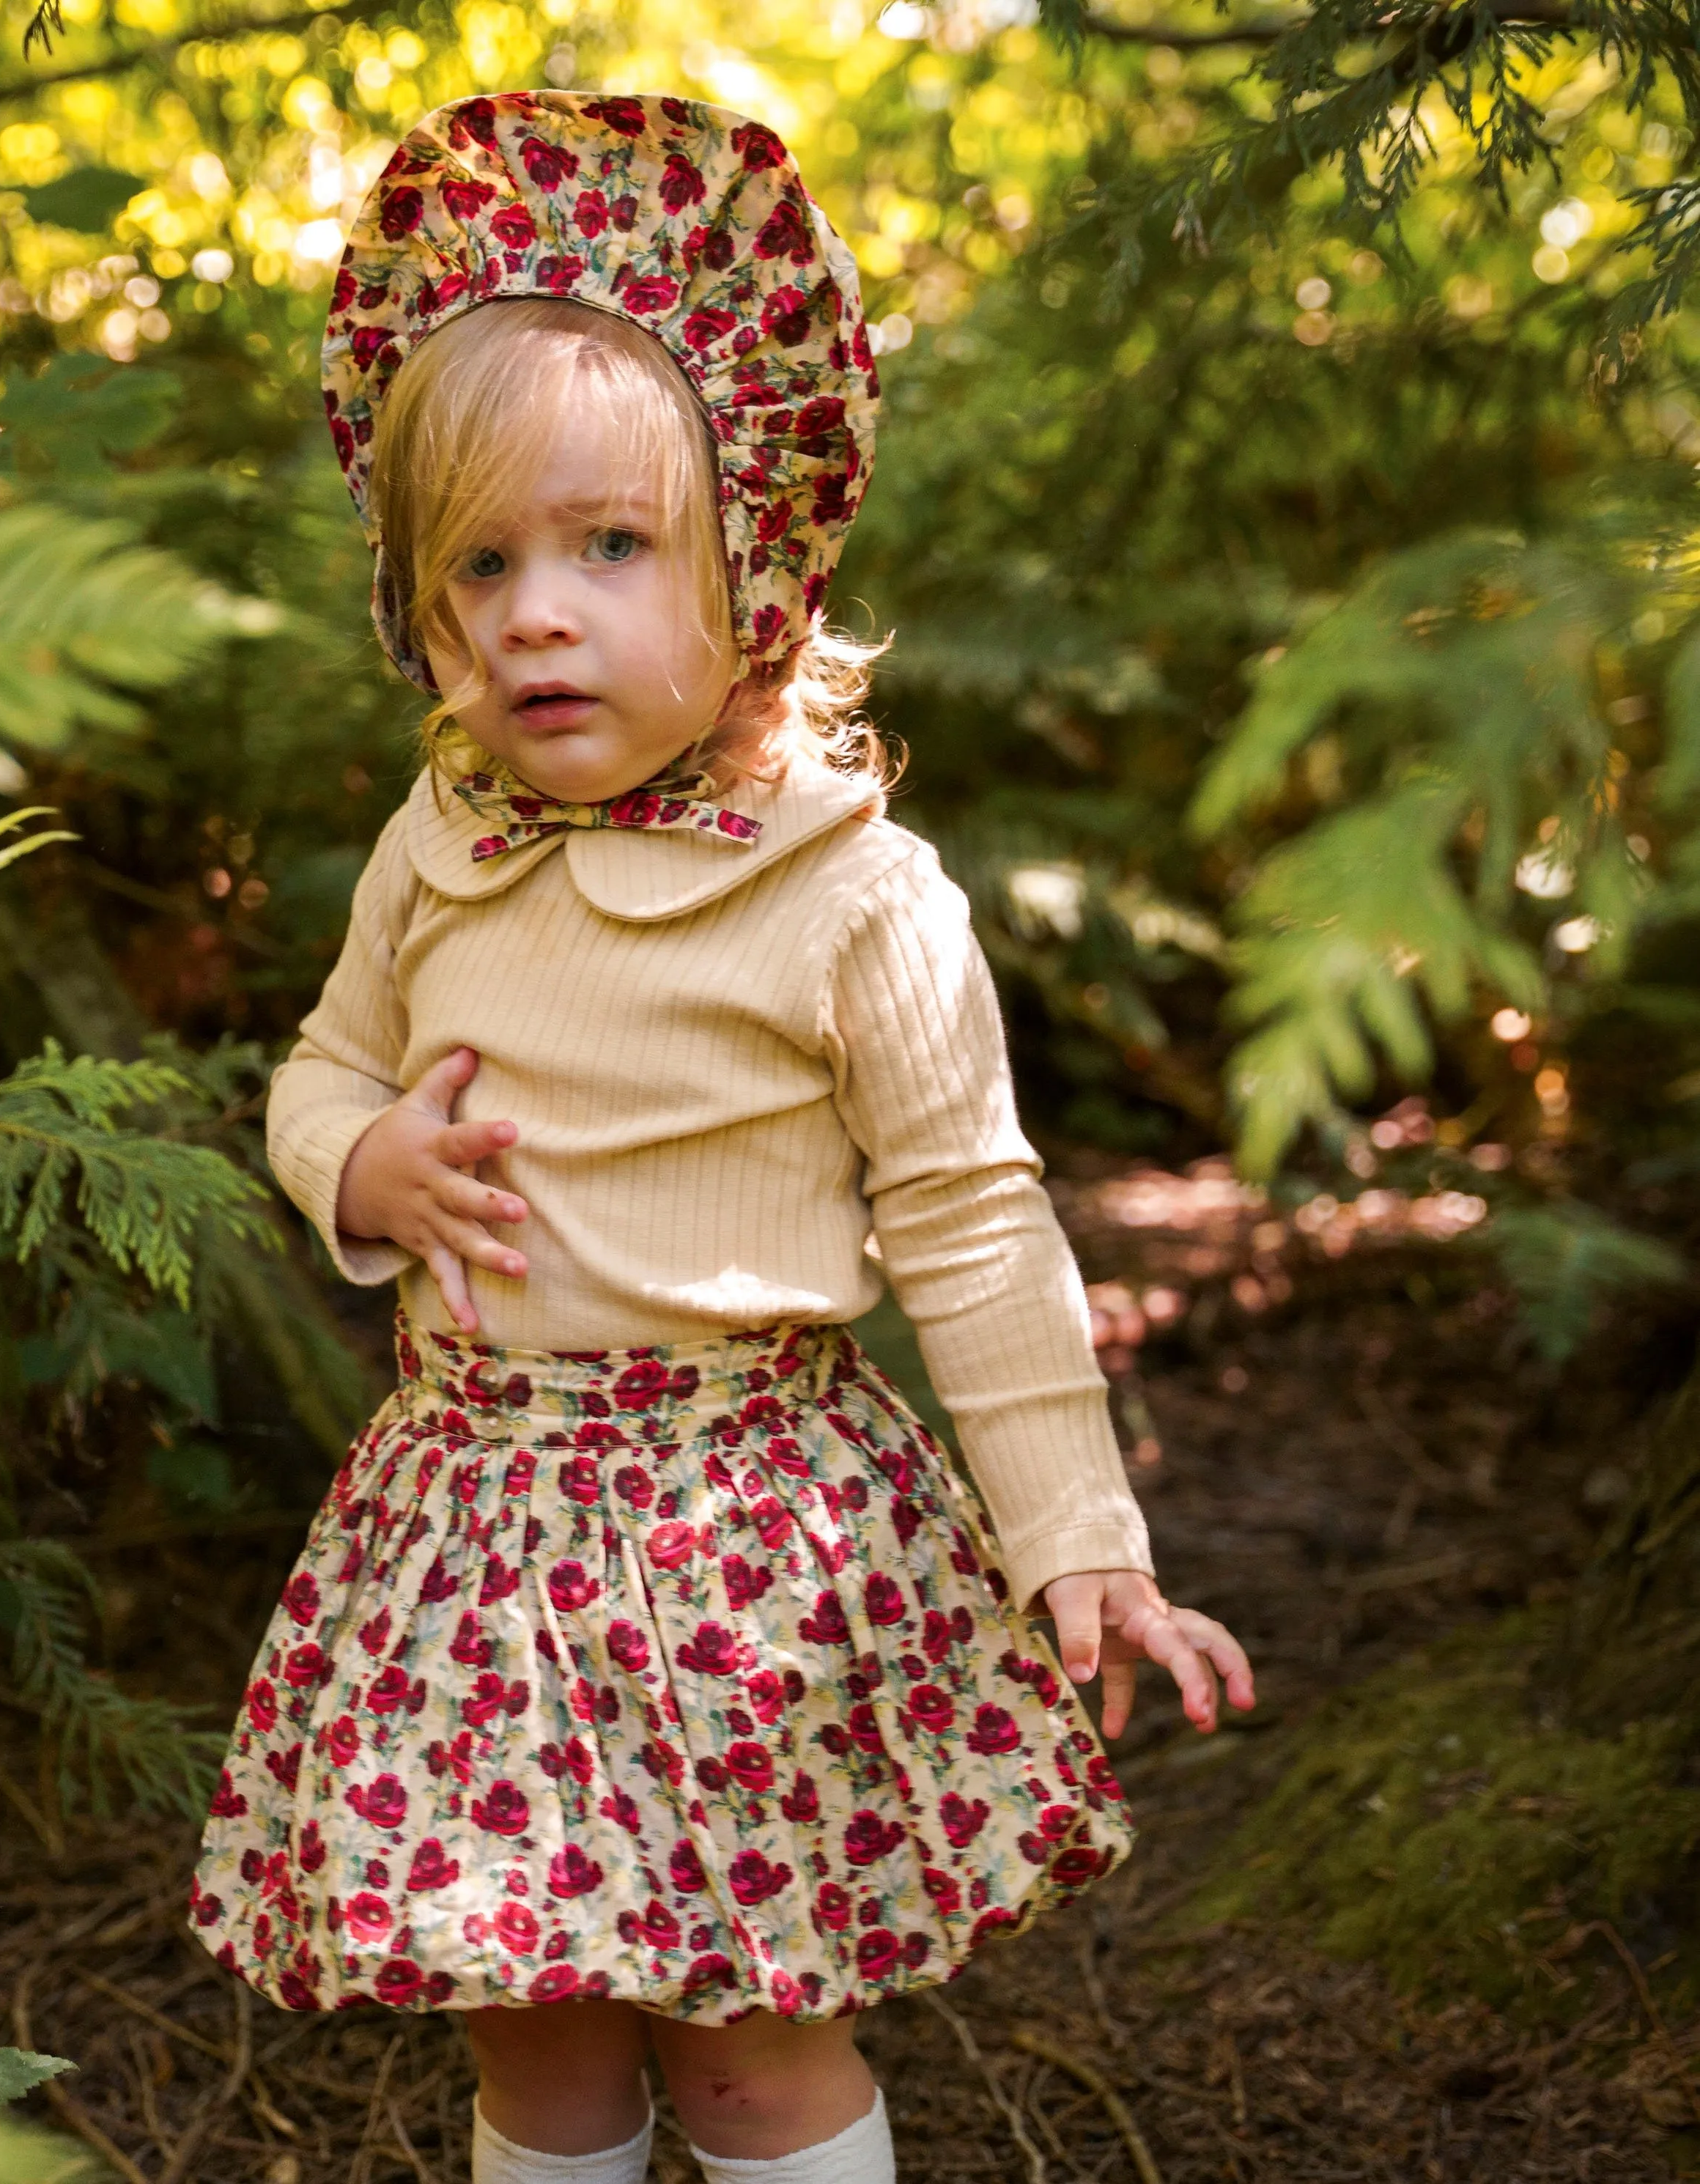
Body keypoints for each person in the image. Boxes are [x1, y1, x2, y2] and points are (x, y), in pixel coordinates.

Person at [191, 89, 1254, 2184]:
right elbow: (315, 1068)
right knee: (540, 2041)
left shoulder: (851, 890)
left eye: (607, 546)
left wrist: (1078, 1542)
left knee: (755, 2046)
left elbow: (970, 1225)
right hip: (475, 1526)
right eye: (475, 564)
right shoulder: (442, 840)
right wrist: (357, 1161)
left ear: (750, 552)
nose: (534, 614)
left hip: (747, 1539)